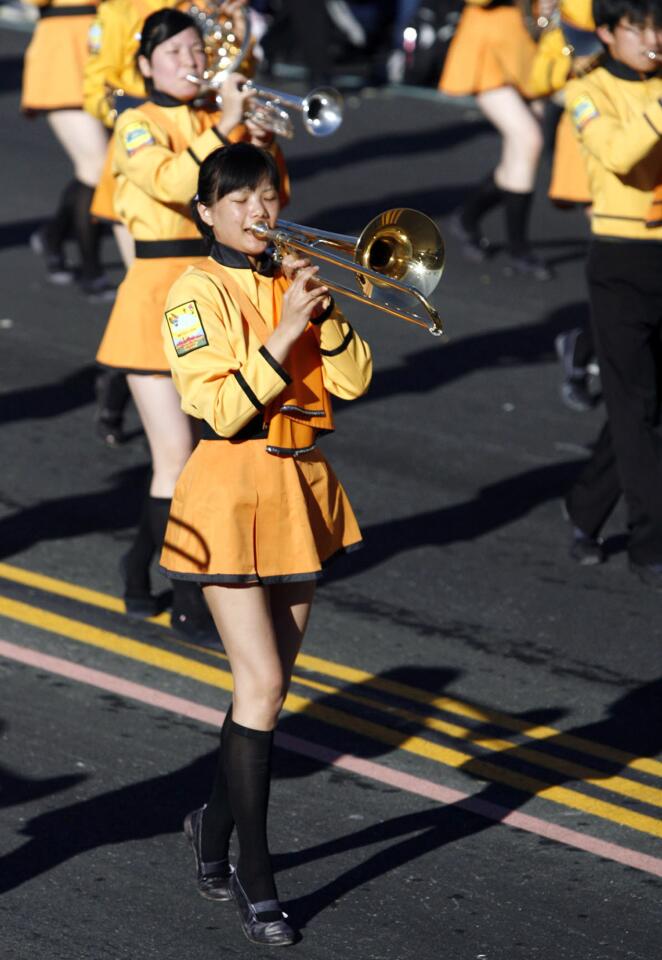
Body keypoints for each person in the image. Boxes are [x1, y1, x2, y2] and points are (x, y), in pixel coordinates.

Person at [158, 142, 372, 945]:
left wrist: (329, 315)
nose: (259, 210)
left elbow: (351, 383)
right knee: (264, 687)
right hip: (228, 490)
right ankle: (257, 872)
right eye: (239, 198)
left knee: (267, 691)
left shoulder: (291, 278)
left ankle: (210, 834)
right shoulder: (192, 290)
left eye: (269, 196)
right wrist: (284, 334)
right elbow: (215, 407)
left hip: (296, 490)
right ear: (207, 210)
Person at [95, 8, 281, 637]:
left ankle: (135, 564)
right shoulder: (135, 125)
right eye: (173, 52)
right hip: (155, 299)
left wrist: (259, 139)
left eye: (196, 50)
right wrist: (226, 126)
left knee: (208, 455)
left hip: (216, 293)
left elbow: (271, 201)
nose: (192, 61)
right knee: (177, 459)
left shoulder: (214, 121)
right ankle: (189, 597)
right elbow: (176, 182)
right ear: (145, 64)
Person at [562, 0, 662, 581]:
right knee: (634, 402)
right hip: (621, 260)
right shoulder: (588, 90)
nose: (652, 38)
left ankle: (586, 508)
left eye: (658, 26)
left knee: (646, 401)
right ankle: (651, 540)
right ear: (607, 31)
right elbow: (619, 155)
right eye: (638, 27)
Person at [438, 0, 552, 279]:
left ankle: (468, 217)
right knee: (528, 139)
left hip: (528, 49)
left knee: (521, 154)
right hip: (487, 51)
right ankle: (518, 248)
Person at [21, 0, 115, 298]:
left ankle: (54, 235)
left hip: (109, 56)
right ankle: (91, 270)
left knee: (101, 165)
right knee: (97, 166)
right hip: (62, 59)